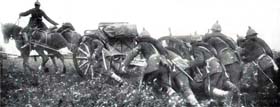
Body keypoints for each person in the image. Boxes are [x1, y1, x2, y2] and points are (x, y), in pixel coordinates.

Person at [187, 40, 239, 105]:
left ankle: (227, 95)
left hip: (212, 67)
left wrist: (189, 63)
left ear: (192, 44)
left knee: (209, 88)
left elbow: (200, 60)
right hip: (219, 65)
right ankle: (236, 91)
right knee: (224, 82)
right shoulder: (207, 47)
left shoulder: (196, 48)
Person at [239, 27, 278, 91]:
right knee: (271, 79)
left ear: (248, 36)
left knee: (263, 83)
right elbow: (269, 51)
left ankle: (267, 95)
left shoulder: (250, 42)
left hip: (262, 64)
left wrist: (244, 59)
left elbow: (250, 55)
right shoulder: (261, 40)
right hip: (269, 61)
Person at [203, 21, 242, 86]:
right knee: (235, 79)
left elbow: (209, 50)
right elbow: (234, 46)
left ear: (212, 30)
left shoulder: (211, 39)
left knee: (223, 78)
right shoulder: (227, 37)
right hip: (234, 58)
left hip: (223, 59)